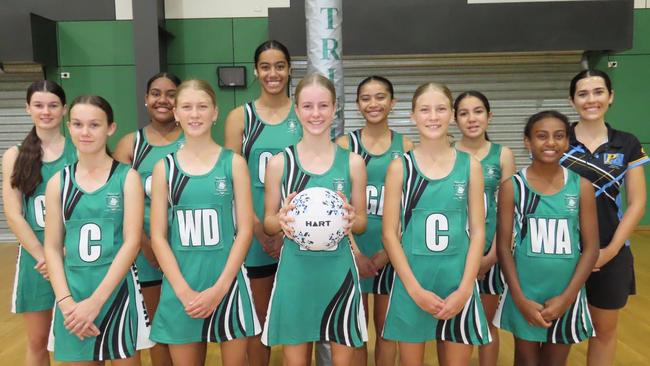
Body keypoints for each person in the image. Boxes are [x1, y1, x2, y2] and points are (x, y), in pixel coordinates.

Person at [148, 79, 260, 366]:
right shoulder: (164, 168)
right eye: (186, 107)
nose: (194, 114)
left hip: (226, 284)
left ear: (215, 113)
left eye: (202, 107)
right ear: (175, 113)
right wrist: (183, 291)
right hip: (181, 286)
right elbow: (158, 237)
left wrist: (221, 287)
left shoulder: (233, 163)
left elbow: (245, 230)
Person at [261, 73, 368, 366]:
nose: (316, 113)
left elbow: (362, 223)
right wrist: (280, 220)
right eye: (307, 106)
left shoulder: (353, 163)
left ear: (335, 109)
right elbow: (268, 223)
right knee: (296, 361)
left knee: (342, 360)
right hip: (296, 271)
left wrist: (351, 219)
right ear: (297, 110)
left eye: (323, 106)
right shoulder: (280, 163)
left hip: (338, 271)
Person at [382, 82, 490, 366]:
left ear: (452, 114)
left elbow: (478, 231)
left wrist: (466, 287)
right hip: (412, 281)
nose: (433, 116)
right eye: (425, 110)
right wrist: (413, 289)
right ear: (412, 116)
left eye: (440, 109)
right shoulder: (399, 167)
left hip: (457, 281)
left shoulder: (470, 166)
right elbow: (389, 235)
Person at [43, 95, 152, 363]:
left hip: (117, 293)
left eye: (94, 125)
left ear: (110, 128)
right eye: (78, 124)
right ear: (69, 127)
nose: (85, 132)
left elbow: (131, 243)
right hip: (73, 296)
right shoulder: (59, 182)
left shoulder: (127, 178)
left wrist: (96, 302)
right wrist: (67, 303)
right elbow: (53, 247)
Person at [494, 110, 599, 365]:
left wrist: (567, 297)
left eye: (559, 136)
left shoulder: (581, 185)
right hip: (525, 291)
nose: (550, 142)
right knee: (526, 361)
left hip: (566, 291)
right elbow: (504, 248)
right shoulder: (512, 187)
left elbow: (591, 247)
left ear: (567, 142)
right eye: (542, 136)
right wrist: (519, 298)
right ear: (527, 141)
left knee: (555, 362)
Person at [560, 69, 649, 366]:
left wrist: (609, 251)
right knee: (555, 330)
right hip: (562, 252)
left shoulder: (627, 143)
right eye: (583, 94)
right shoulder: (559, 141)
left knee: (604, 332)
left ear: (611, 97)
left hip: (611, 253)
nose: (591, 99)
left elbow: (637, 203)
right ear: (572, 100)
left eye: (598, 92)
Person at [223, 40, 301, 366]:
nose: (273, 73)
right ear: (256, 71)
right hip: (253, 232)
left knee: (297, 319)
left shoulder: (304, 113)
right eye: (266, 67)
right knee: (258, 318)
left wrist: (285, 232)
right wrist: (259, 229)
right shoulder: (240, 117)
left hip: (299, 235)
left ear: (289, 69)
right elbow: (231, 179)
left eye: (279, 66)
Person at [335, 75, 413, 366]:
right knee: (354, 330)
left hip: (390, 251)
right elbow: (336, 205)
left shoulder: (406, 146)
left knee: (386, 331)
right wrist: (356, 253)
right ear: (357, 105)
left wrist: (384, 255)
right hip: (351, 249)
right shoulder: (345, 144)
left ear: (392, 102)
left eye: (380, 97)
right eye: (366, 98)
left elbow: (410, 208)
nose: (373, 103)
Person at [2, 80, 76, 366]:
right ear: (27, 108)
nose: (46, 111)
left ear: (64, 109)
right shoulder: (15, 155)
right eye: (39, 105)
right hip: (38, 262)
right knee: (37, 340)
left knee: (79, 338)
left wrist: (64, 255)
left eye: (53, 105)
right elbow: (13, 214)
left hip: (75, 257)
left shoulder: (79, 151)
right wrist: (45, 257)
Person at [114, 71, 183, 365]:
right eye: (156, 93)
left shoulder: (194, 140)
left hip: (187, 251)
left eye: (170, 93)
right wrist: (143, 242)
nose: (163, 100)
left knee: (186, 329)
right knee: (157, 329)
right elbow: (115, 203)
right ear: (145, 99)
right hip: (146, 252)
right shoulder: (132, 144)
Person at [453, 91, 515, 366]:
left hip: (490, 254)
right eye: (464, 113)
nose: (471, 119)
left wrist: (492, 256)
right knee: (457, 327)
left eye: (477, 111)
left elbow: (508, 211)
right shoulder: (449, 154)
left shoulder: (503, 155)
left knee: (487, 326)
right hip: (455, 253)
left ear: (489, 116)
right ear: (455, 119)